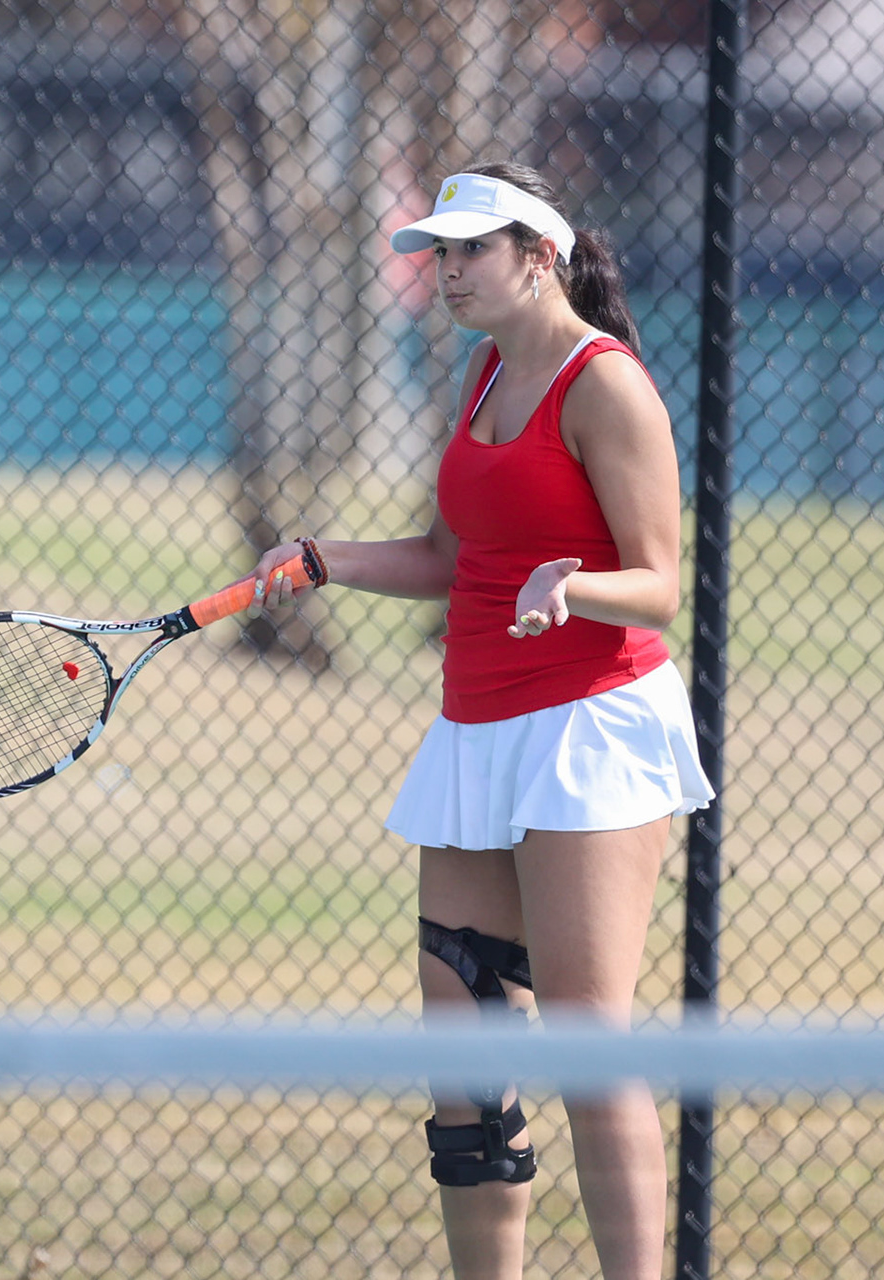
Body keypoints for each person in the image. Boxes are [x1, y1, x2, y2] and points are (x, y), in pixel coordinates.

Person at [249, 160, 714, 1280]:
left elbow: (658, 582)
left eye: (470, 250)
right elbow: (455, 562)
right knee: (464, 1060)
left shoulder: (607, 387)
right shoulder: (478, 374)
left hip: (592, 728)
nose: (446, 270)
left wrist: (575, 583)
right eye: (438, 252)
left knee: (587, 1044)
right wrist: (322, 559)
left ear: (539, 255)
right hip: (477, 730)